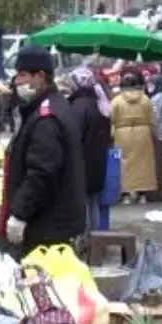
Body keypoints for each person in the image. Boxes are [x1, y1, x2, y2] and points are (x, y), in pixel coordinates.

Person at [0, 47, 86, 256]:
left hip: (47, 227)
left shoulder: (46, 118)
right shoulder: (49, 107)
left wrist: (20, 214)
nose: (16, 82)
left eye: (22, 75)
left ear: (40, 76)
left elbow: (41, 173)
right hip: (54, 223)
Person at [67, 67, 113, 234]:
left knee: (83, 202)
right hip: (98, 160)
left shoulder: (79, 106)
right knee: (93, 201)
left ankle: (85, 239)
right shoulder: (99, 103)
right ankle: (95, 238)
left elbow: (74, 137)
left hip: (82, 161)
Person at [110, 72, 157, 204]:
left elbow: (111, 119)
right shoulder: (145, 99)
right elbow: (152, 118)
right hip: (142, 133)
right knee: (143, 164)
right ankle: (142, 194)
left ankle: (125, 193)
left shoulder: (117, 100)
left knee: (123, 164)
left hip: (122, 134)